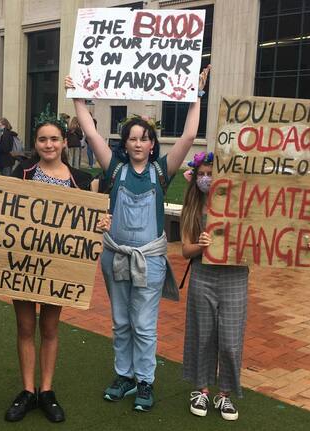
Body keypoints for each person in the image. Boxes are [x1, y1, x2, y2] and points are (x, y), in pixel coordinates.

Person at [66, 65, 210, 412]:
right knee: (120, 320)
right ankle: (124, 376)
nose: (138, 143)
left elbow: (190, 136)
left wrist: (196, 94)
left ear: (152, 143)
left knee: (144, 324)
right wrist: (78, 96)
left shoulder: (162, 171)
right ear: (124, 143)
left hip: (150, 259)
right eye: (132, 138)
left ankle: (145, 380)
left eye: (144, 138)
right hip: (114, 255)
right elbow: (89, 131)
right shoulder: (113, 169)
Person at [179, 152, 310, 422]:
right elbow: (186, 250)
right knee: (202, 335)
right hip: (203, 276)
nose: (206, 179)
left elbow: (274, 231)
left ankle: (226, 393)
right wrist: (202, 246)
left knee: (231, 342)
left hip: (234, 278)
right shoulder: (194, 208)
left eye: (211, 173)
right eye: (201, 174)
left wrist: (305, 243)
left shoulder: (244, 206)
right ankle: (201, 389)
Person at [0, 112, 103, 424]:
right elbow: (2, 209)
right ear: (35, 143)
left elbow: (87, 224)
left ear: (64, 142)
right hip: (22, 265)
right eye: (42, 139)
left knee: (49, 328)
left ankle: (46, 391)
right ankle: (27, 390)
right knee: (24, 327)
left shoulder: (82, 179)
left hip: (58, 269)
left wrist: (101, 222)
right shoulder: (21, 172)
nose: (48, 144)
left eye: (54, 139)